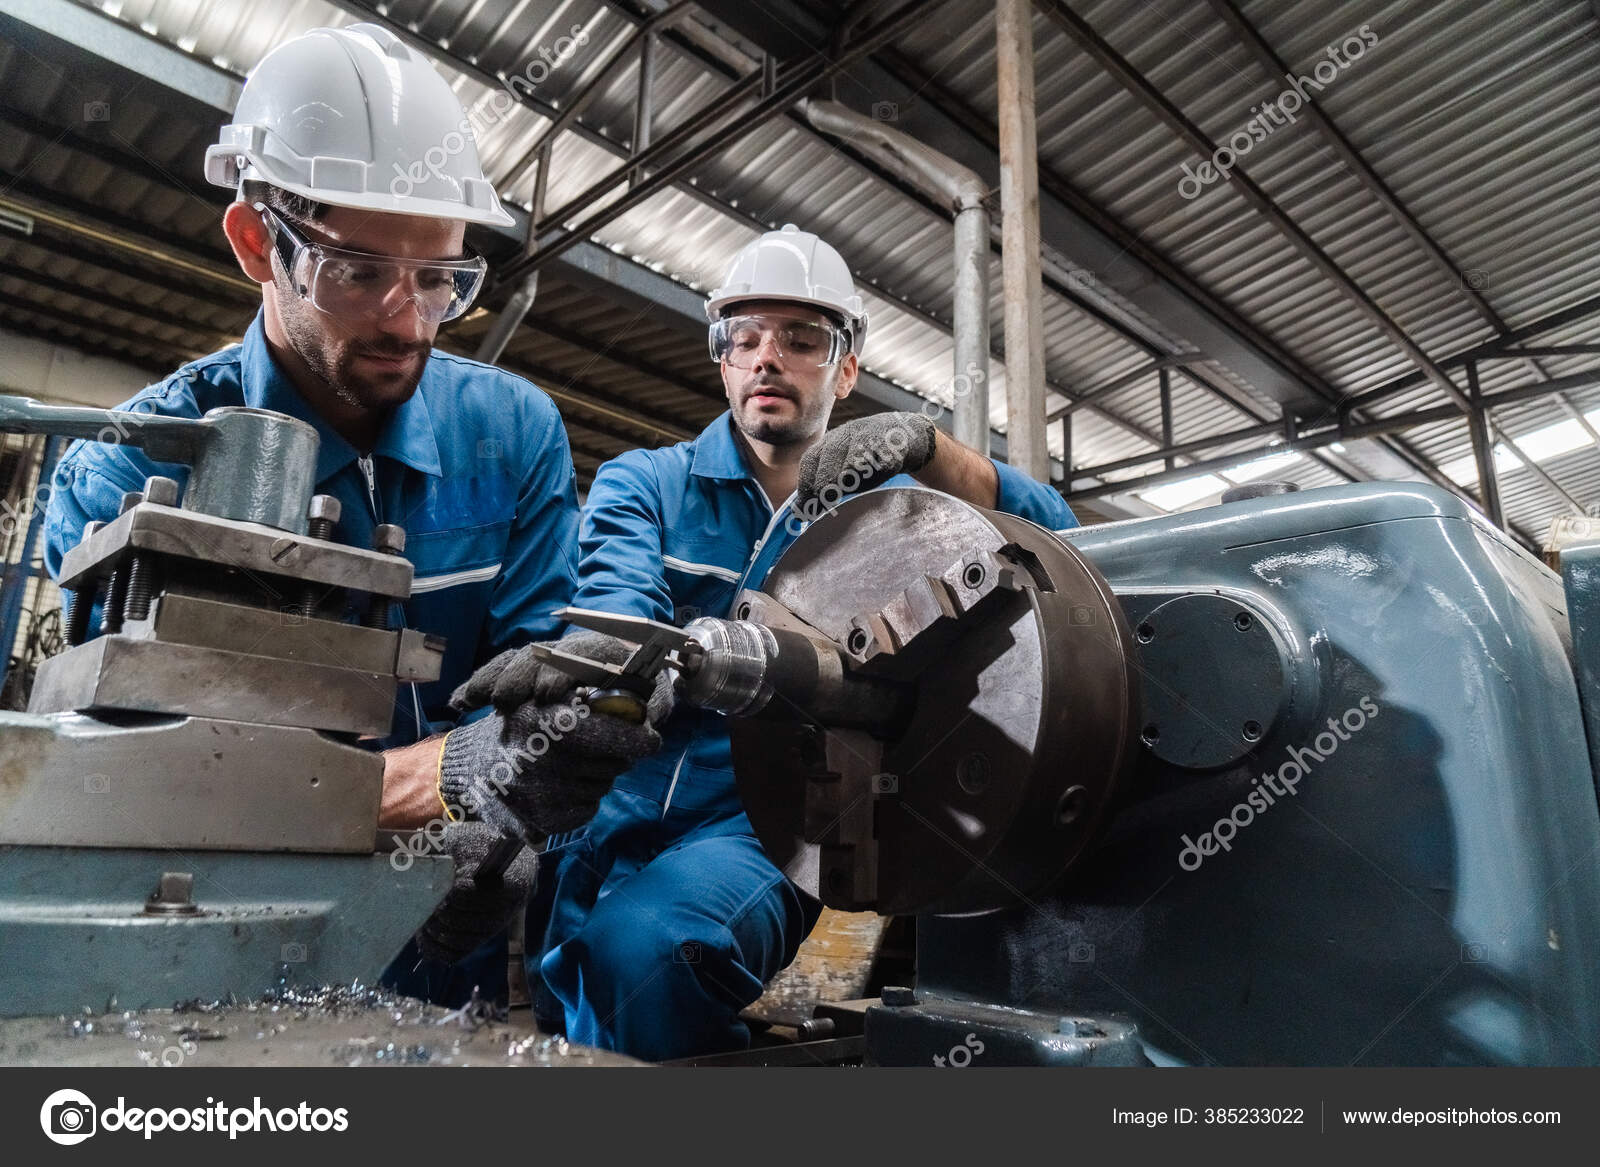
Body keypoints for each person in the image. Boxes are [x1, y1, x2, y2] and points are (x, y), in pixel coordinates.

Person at [40, 23, 666, 1004]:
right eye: (361, 272)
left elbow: (531, 712)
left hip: (437, 949)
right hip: (191, 963)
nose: (407, 320)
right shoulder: (123, 471)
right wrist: (449, 777)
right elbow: (139, 791)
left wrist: (529, 787)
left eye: (441, 280)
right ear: (258, 243)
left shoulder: (511, 434)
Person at [452, 223, 1080, 1060]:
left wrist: (938, 455)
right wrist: (617, 664)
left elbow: (1065, 545)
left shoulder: (893, 520)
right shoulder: (648, 481)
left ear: (847, 367)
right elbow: (616, 599)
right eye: (742, 337)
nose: (766, 357)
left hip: (763, 823)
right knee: (573, 1020)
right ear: (721, 359)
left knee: (649, 953)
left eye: (801, 338)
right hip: (601, 815)